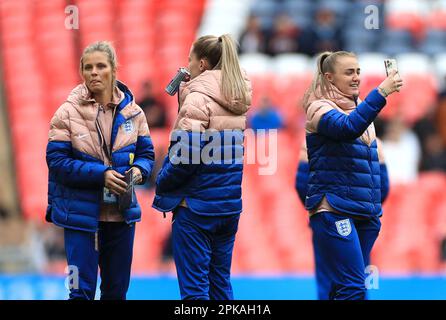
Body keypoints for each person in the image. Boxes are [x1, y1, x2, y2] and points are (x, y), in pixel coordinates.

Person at [46, 41, 155, 300]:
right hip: (80, 218)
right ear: (82, 72)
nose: (94, 72)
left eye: (101, 66)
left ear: (114, 70)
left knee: (116, 293)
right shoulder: (66, 113)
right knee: (80, 292)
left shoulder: (135, 113)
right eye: (88, 67)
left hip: (121, 216)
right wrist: (101, 174)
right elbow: (57, 162)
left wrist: (138, 171)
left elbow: (147, 156)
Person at [152, 34, 251, 300]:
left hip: (196, 206)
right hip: (228, 206)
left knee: (195, 293)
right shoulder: (237, 98)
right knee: (220, 286)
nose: (187, 65)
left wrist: (162, 180)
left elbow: (187, 155)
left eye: (190, 60)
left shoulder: (198, 99)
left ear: (203, 64)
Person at [301, 50, 402, 300]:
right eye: (349, 72)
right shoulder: (319, 108)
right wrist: (381, 93)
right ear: (329, 77)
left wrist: (374, 212)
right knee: (354, 287)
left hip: (364, 213)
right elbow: (347, 129)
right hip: (336, 210)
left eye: (358, 71)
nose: (356, 77)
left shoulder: (360, 111)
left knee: (344, 286)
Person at [295, 138, 389, 300]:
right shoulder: (374, 142)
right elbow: (383, 187)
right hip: (362, 221)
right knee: (357, 275)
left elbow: (302, 184)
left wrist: (319, 207)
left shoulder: (311, 140)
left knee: (328, 276)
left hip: (328, 219)